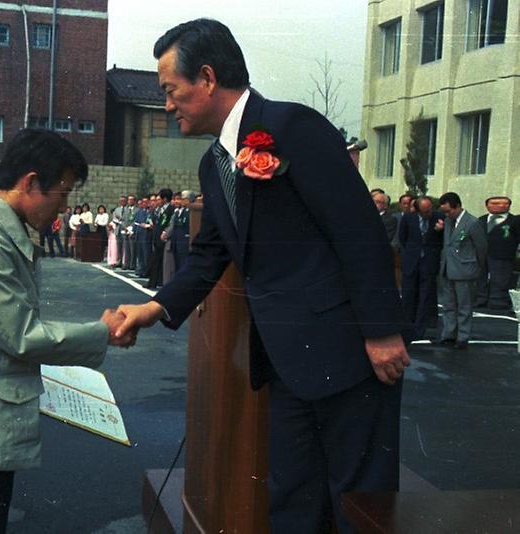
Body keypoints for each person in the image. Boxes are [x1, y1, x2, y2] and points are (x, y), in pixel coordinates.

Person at [114, 19, 409, 533]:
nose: (166, 105)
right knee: (292, 501)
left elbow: (358, 230)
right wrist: (154, 307)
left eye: (170, 90)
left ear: (206, 78)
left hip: (348, 355)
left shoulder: (295, 127)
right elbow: (209, 255)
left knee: (359, 505)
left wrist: (382, 332)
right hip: (284, 362)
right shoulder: (214, 164)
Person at [0, 129, 131, 534]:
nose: (65, 205)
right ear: (30, 183)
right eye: (63, 193)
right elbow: (22, 335)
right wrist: (102, 331)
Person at [437, 192, 487, 349]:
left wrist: (477, 267)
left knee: (464, 306)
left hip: (465, 270)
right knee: (448, 305)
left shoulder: (472, 223)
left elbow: (481, 247)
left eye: (448, 211)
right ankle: (449, 334)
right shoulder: (448, 221)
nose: (447, 214)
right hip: (447, 269)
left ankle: (463, 337)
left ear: (457, 206)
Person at [398, 197, 444, 339]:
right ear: (417, 210)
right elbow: (403, 238)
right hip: (412, 261)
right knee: (408, 295)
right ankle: (406, 326)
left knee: (425, 297)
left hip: (429, 262)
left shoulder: (439, 218)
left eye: (430, 209)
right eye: (425, 211)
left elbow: (444, 239)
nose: (428, 213)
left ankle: (420, 329)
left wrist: (440, 230)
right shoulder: (408, 218)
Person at [476, 196, 520, 310]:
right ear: (487, 206)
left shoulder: (514, 220)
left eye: (505, 204)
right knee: (481, 277)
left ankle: (499, 301)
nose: (500, 206)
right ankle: (481, 298)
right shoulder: (481, 220)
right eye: (495, 203)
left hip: (503, 253)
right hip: (482, 254)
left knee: (501, 279)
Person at [145, 188, 174, 289]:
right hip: (157, 238)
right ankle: (154, 282)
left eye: (160, 198)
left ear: (165, 199)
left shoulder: (170, 209)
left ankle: (155, 282)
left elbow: (167, 224)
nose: (158, 201)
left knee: (159, 262)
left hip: (164, 239)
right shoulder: (160, 209)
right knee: (156, 261)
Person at [121, 194, 137, 269]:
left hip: (132, 231)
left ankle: (132, 265)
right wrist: (124, 227)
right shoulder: (125, 209)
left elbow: (136, 220)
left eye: (131, 200)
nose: (130, 201)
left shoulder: (137, 210)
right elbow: (123, 220)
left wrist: (131, 228)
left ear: (134, 201)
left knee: (133, 249)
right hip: (125, 231)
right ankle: (126, 264)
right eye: (129, 200)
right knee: (126, 249)